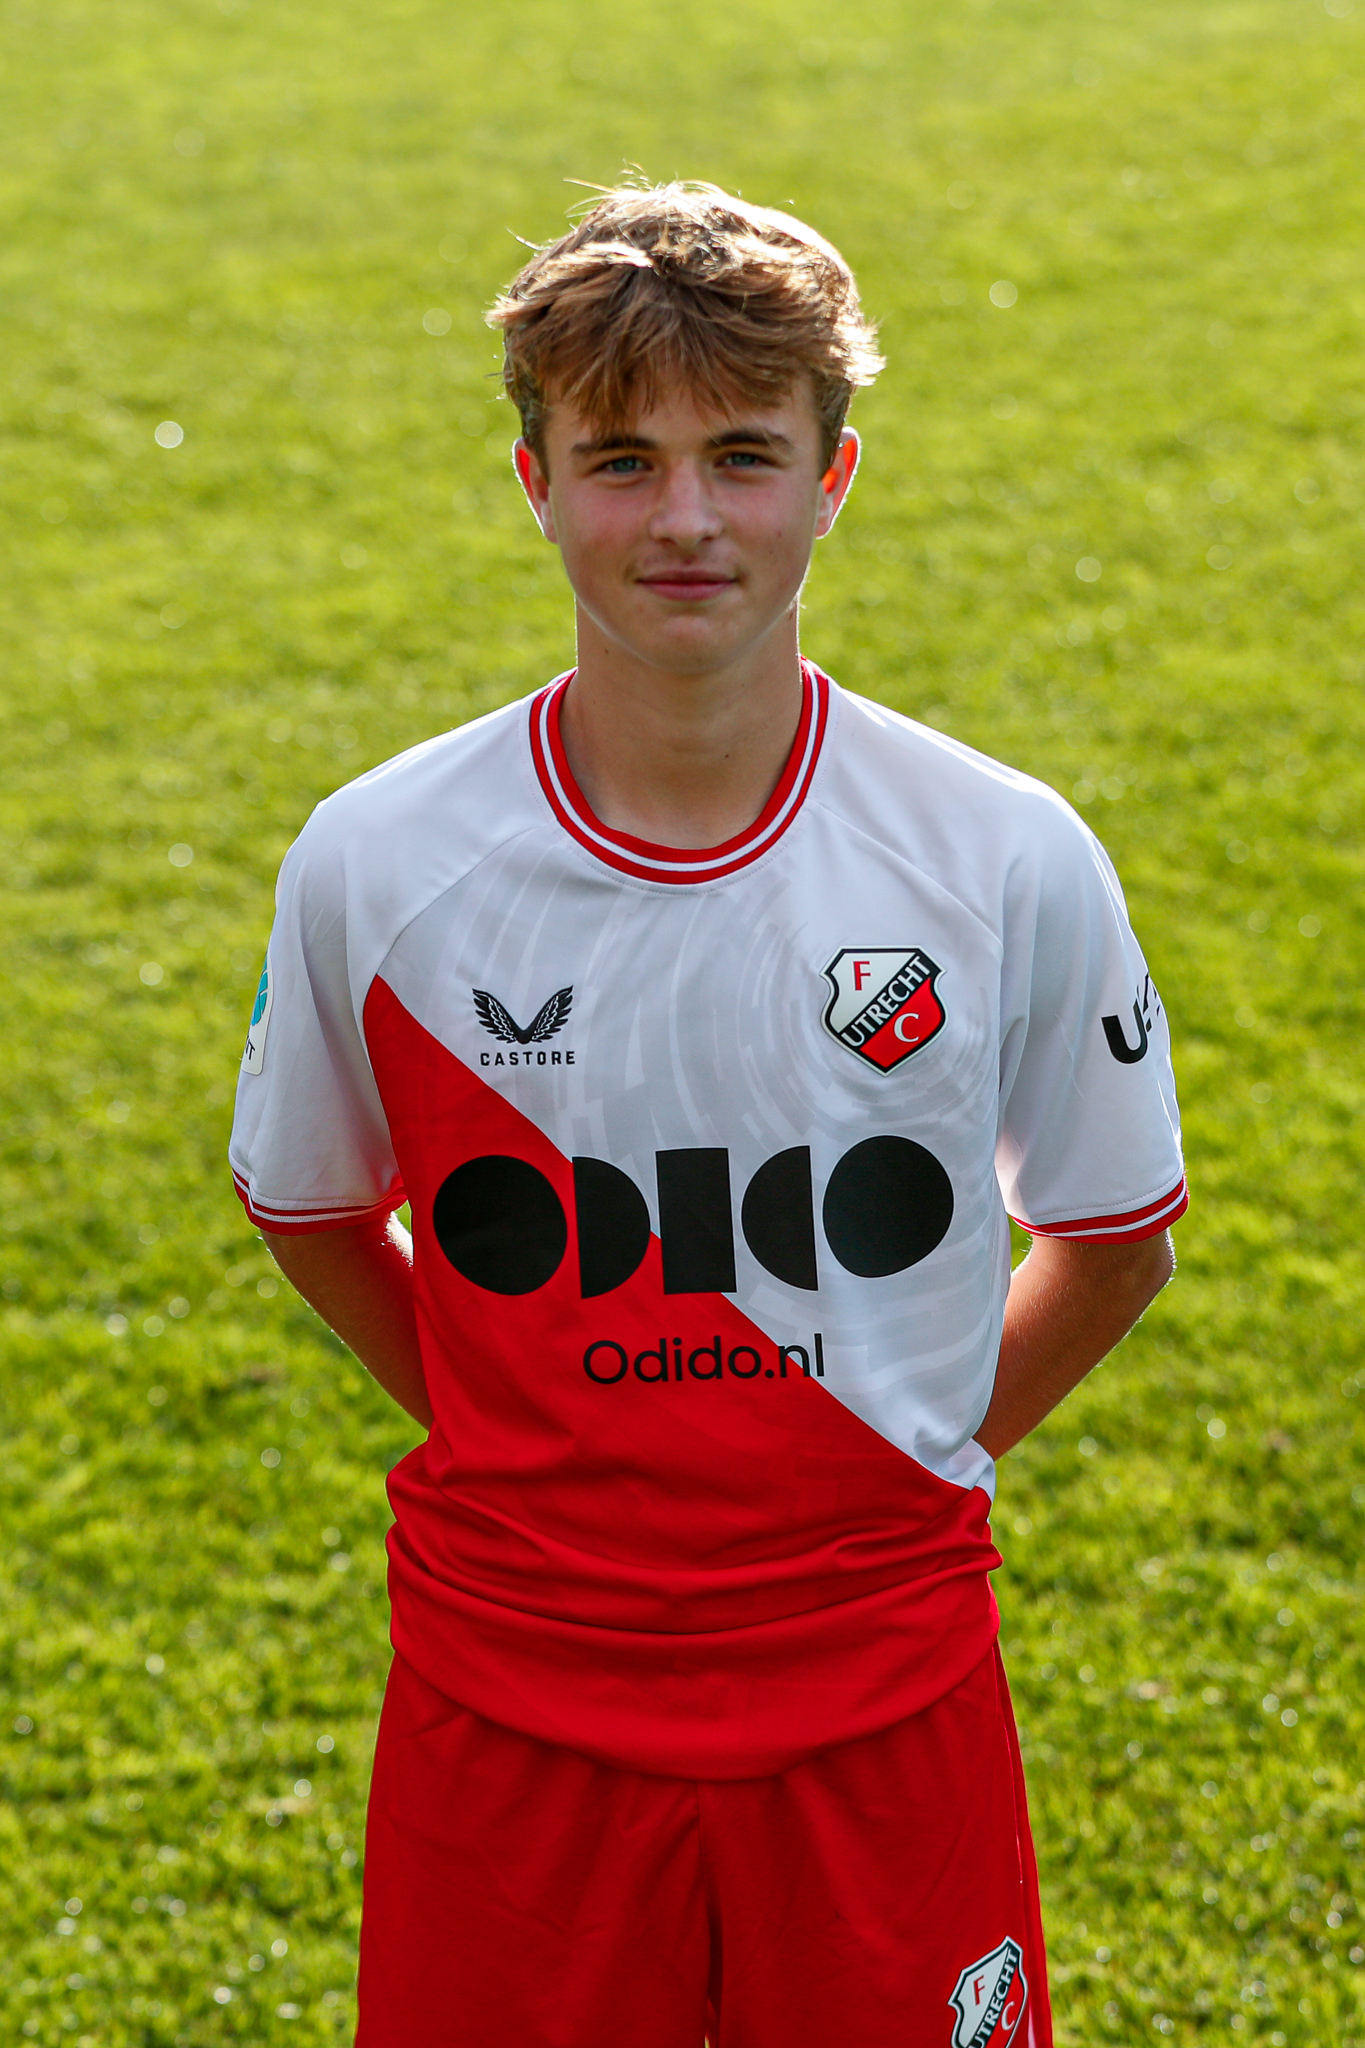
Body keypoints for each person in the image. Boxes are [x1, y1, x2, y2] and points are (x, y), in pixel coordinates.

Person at [228, 181, 1185, 2048]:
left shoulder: (1000, 853)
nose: (682, 518)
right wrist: (516, 1427)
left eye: (742, 456)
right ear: (535, 484)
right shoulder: (381, 861)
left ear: (834, 478)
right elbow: (310, 1210)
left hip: (884, 1692)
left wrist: (903, 1456)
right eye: (620, 460)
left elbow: (1112, 1235)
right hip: (512, 1692)